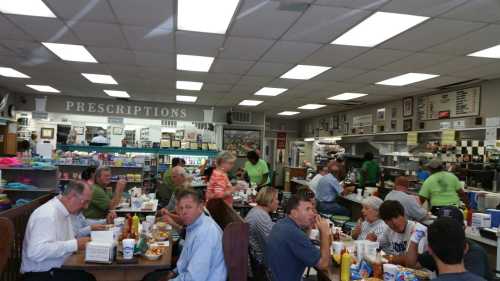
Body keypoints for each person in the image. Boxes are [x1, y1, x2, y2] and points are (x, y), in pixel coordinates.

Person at [142, 188, 227, 281]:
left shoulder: (206, 233)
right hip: (187, 274)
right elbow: (185, 259)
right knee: (148, 277)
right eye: (181, 208)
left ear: (200, 207)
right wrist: (173, 272)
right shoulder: (194, 225)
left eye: (188, 207)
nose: (183, 212)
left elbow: (194, 278)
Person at [21, 181, 95, 281]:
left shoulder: (64, 211)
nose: (86, 207)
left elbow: (67, 240)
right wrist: (75, 245)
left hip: (56, 269)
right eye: (85, 202)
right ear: (72, 196)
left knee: (89, 276)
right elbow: (35, 252)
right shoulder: (47, 214)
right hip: (40, 274)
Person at [265, 194, 331, 281]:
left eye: (312, 209)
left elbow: (303, 244)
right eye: (307, 209)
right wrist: (325, 233)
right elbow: (323, 264)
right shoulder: (294, 234)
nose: (313, 213)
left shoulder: (282, 223)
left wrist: (309, 225)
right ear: (294, 213)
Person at [417, 206, 491, 280]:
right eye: (441, 229)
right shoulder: (439, 246)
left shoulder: (475, 252)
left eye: (452, 228)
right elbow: (414, 264)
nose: (447, 232)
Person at [378, 200, 427, 267]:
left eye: (396, 217)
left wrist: (391, 258)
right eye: (389, 220)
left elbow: (415, 262)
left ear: (403, 215)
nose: (394, 222)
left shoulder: (418, 230)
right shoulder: (388, 230)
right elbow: (376, 249)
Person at [245, 187, 279, 268]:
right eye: (276, 199)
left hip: (255, 255)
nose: (278, 202)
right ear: (269, 201)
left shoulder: (257, 210)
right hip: (259, 260)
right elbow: (272, 243)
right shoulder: (261, 216)